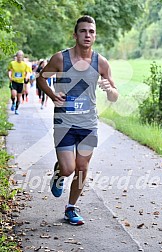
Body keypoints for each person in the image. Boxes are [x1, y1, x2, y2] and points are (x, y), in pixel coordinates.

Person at [36, 15, 118, 225]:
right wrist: (53, 96)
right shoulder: (59, 59)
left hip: (88, 124)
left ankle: (71, 208)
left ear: (95, 35)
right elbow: (41, 78)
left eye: (91, 31)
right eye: (83, 31)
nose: (87, 35)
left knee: (82, 168)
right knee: (68, 168)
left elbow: (114, 95)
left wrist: (110, 90)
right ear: (75, 35)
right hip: (64, 123)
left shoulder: (101, 62)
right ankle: (59, 172)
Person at [8, 50, 29, 115]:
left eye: (21, 56)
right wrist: (10, 76)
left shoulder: (25, 64)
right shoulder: (12, 63)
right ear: (16, 56)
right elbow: (9, 71)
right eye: (18, 56)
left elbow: (27, 72)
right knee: (13, 94)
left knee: (19, 97)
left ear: (22, 57)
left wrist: (26, 77)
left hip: (21, 82)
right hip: (14, 81)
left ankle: (16, 109)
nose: (19, 57)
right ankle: (13, 102)